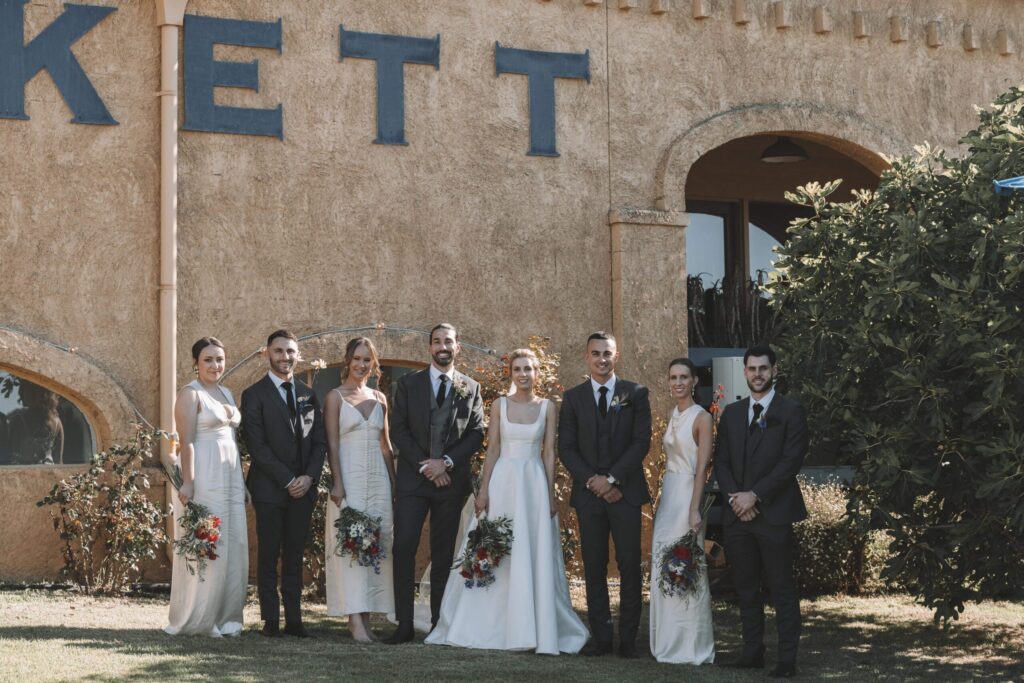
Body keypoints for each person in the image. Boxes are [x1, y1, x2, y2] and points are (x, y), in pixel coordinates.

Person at [426, 349, 589, 654]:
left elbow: (550, 453)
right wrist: (484, 490)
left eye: (529, 369)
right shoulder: (499, 405)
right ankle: (487, 625)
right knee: (496, 546)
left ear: (537, 373)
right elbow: (492, 451)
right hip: (502, 483)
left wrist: (551, 495)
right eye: (518, 369)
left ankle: (531, 624)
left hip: (533, 486)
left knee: (530, 549)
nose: (523, 374)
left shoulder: (548, 407)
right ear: (511, 373)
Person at [386, 323, 485, 644]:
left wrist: (447, 463)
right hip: (414, 482)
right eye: (437, 341)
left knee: (443, 553)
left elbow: (476, 433)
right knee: (404, 548)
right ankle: (403, 623)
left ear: (458, 347)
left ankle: (437, 624)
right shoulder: (407, 385)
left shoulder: (471, 387)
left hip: (450, 483)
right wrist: (427, 465)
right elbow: (398, 430)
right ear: (430, 347)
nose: (443, 346)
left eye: (449, 341)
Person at [714, 344, 808, 678]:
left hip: (775, 514)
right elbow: (721, 462)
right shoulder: (732, 414)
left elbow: (789, 464)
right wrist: (736, 500)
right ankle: (752, 652)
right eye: (752, 369)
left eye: (763, 369)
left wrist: (755, 496)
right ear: (744, 372)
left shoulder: (792, 411)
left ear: (774, 370)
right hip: (737, 515)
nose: (758, 375)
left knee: (782, 588)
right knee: (745, 589)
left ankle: (786, 660)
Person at [558, 331, 651, 658]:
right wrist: (593, 481)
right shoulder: (573, 398)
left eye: (607, 353)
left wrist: (611, 479)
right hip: (588, 496)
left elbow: (641, 442)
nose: (601, 358)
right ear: (586, 356)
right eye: (595, 353)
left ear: (616, 355)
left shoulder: (635, 394)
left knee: (629, 565)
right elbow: (566, 448)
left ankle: (628, 640)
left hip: (625, 494)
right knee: (594, 567)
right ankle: (601, 638)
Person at [243, 329, 328, 638]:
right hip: (269, 489)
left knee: (294, 555)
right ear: (268, 353)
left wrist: (308, 478)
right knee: (268, 555)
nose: (285, 357)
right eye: (279, 351)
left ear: (297, 354)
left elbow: (319, 442)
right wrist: (289, 479)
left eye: (290, 351)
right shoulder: (254, 395)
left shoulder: (308, 394)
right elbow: (257, 446)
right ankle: (270, 621)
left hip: (303, 491)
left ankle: (295, 620)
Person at [165, 337, 248, 637]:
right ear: (196, 363)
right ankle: (201, 619)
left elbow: (233, 442)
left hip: (231, 478)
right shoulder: (190, 394)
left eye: (220, 359)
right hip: (205, 476)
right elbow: (186, 442)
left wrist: (242, 482)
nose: (215, 365)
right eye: (209, 360)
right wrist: (189, 482)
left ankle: (228, 619)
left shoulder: (226, 392)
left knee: (234, 545)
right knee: (209, 545)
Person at [324, 337, 397, 642]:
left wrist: (395, 485)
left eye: (367, 359)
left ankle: (365, 617)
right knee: (352, 545)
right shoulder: (335, 397)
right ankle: (354, 620)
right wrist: (337, 482)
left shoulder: (380, 398)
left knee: (375, 544)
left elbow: (386, 445)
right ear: (347, 361)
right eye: (357, 358)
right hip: (350, 477)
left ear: (374, 364)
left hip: (378, 479)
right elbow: (332, 443)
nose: (361, 364)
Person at [648, 358, 715, 664]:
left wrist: (694, 509)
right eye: (673, 377)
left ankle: (691, 646)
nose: (677, 382)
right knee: (664, 563)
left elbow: (702, 469)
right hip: (669, 494)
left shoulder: (702, 418)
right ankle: (668, 640)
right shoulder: (673, 413)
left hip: (689, 492)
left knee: (688, 566)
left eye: (683, 377)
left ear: (694, 381)